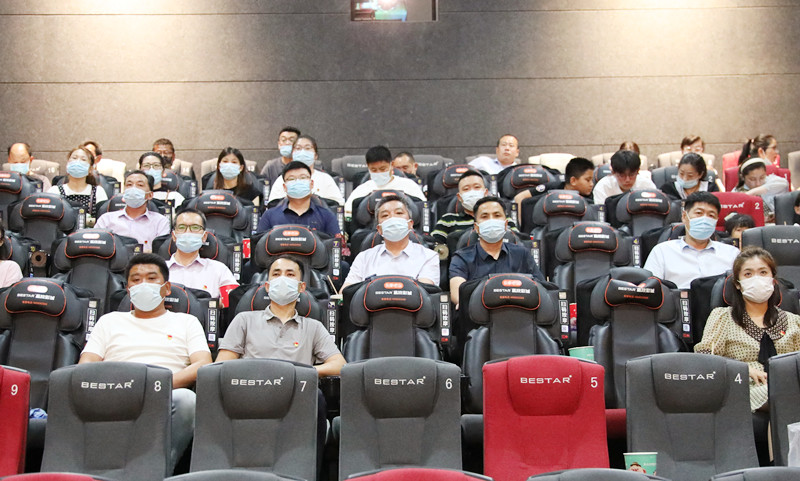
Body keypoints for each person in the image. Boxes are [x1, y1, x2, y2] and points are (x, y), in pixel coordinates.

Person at [79, 253, 213, 471]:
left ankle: (156, 470)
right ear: (128, 289)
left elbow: (203, 364)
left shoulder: (187, 322)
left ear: (166, 288)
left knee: (187, 400)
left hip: (165, 394)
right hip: (115, 392)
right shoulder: (109, 321)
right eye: (136, 279)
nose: (143, 284)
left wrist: (155, 386)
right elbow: (86, 364)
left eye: (151, 279)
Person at [695, 247, 800, 411]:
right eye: (748, 274)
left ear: (773, 279)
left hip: (787, 384)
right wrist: (744, 370)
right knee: (780, 396)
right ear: (737, 284)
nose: (757, 279)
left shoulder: (794, 321)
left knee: (786, 393)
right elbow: (706, 358)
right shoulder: (722, 317)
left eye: (763, 272)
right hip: (741, 386)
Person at [216, 255, 345, 374]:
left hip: (298, 387)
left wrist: (301, 373)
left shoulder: (314, 327)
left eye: (290, 274)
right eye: (276, 274)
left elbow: (339, 365)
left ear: (301, 287)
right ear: (267, 286)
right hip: (253, 387)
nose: (282, 279)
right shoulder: (244, 320)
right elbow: (221, 366)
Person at [449, 196, 545, 306]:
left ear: (505, 224)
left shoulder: (522, 254)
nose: (491, 220)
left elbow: (541, 289)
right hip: (479, 313)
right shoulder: (461, 258)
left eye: (497, 215)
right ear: (476, 227)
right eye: (484, 216)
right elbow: (457, 294)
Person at [643, 192, 739, 289]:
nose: (705, 219)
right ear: (684, 217)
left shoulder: (732, 254)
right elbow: (650, 288)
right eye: (699, 213)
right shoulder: (662, 251)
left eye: (711, 215)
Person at [343, 194, 438, 288]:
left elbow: (425, 291)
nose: (392, 218)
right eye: (385, 215)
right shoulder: (364, 258)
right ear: (379, 229)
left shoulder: (428, 257)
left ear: (410, 224)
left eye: (399, 213)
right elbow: (346, 291)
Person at [166, 209, 239, 300]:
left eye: (195, 228)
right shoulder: (159, 269)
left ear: (204, 237)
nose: (188, 232)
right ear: (174, 236)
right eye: (181, 227)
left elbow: (234, 300)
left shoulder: (219, 270)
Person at [431, 170, 518, 244]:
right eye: (466, 189)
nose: (472, 192)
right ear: (459, 197)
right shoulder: (448, 220)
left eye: (477, 187)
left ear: (485, 193)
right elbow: (435, 247)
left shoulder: (500, 217)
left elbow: (517, 241)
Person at [257, 161, 340, 236]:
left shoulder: (327, 216)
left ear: (311, 184)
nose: (298, 182)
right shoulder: (269, 216)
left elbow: (335, 244)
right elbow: (259, 245)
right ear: (285, 187)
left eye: (303, 178)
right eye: (291, 179)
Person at [94, 170, 170, 252]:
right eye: (129, 185)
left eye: (140, 185)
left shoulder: (160, 222)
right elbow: (96, 247)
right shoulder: (106, 219)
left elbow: (161, 253)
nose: (133, 188)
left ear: (150, 195)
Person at [345, 146, 426, 218]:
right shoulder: (362, 190)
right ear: (368, 167)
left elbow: (423, 211)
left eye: (383, 169)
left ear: (392, 165)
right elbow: (348, 215)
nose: (379, 173)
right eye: (374, 170)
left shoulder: (409, 185)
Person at [267, 135, 344, 206]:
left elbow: (338, 206)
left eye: (307, 148)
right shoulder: (281, 180)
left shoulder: (325, 179)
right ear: (292, 154)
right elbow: (272, 207)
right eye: (298, 148)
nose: (302, 152)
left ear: (315, 155)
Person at [512, 157, 595, 212]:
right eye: (588, 180)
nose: (591, 184)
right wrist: (520, 224)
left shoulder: (590, 198)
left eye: (592, 180)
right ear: (573, 180)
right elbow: (519, 197)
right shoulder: (552, 187)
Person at [48, 146, 108, 219]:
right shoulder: (55, 191)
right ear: (67, 164)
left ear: (90, 169)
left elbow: (104, 219)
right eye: (74, 158)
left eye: (83, 159)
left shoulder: (98, 192)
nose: (77, 162)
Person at [732, 156, 789, 222]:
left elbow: (784, 184)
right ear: (742, 177)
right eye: (752, 179)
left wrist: (752, 192)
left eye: (762, 177)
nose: (758, 183)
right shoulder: (736, 192)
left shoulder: (771, 181)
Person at [592, 149, 656, 205]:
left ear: (638, 171)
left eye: (631, 175)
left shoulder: (647, 185)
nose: (627, 180)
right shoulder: (603, 187)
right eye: (622, 176)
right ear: (613, 172)